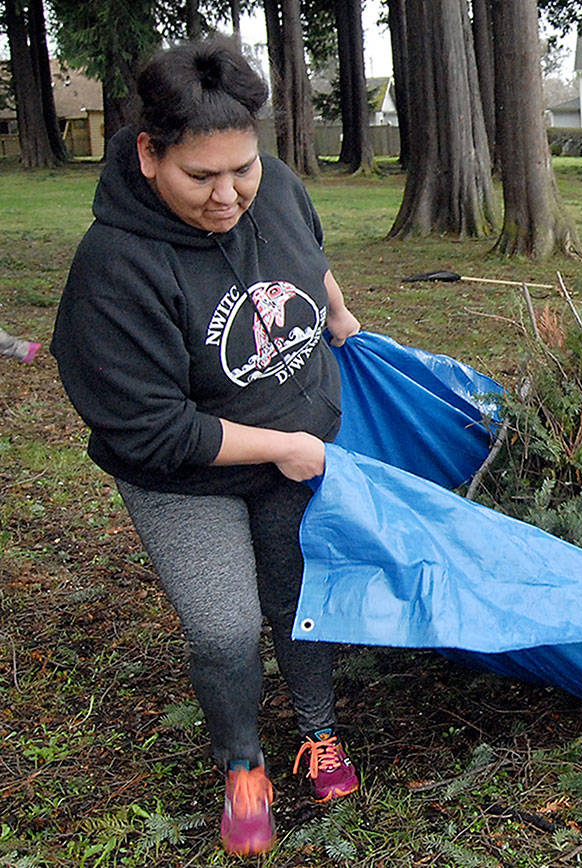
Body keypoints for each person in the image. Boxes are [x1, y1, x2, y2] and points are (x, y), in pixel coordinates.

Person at [52, 41, 362, 856]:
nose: (229, 197)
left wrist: (337, 315)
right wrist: (284, 446)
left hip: (295, 443)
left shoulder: (276, 187)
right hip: (183, 476)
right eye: (202, 178)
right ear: (150, 154)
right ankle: (242, 763)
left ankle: (320, 731)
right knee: (225, 628)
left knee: (301, 598)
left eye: (243, 170)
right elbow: (153, 428)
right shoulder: (115, 267)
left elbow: (308, 254)